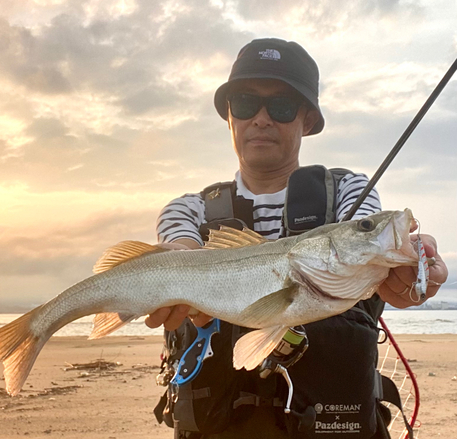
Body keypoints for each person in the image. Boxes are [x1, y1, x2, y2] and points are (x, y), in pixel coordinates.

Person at [146, 38, 448, 438]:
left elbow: (363, 237)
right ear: (230, 116)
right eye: (246, 103)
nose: (262, 119)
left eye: (283, 106)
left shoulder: (349, 191)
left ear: (307, 119)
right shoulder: (189, 209)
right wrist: (161, 266)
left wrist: (409, 272)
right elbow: (179, 249)